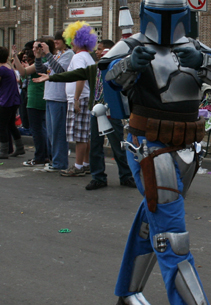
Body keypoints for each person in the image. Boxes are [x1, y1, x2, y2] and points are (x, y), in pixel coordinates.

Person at [99, 0, 211, 305]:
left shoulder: (194, 47)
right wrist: (128, 65)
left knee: (153, 221)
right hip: (150, 146)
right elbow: (108, 81)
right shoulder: (130, 47)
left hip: (186, 147)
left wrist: (203, 63)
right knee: (171, 231)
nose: (165, 23)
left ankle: (128, 293)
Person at [40, 39, 136, 189]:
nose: (97, 52)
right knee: (95, 146)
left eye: (101, 49)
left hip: (112, 112)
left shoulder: (118, 69)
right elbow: (74, 75)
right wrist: (51, 77)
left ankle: (126, 176)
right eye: (98, 49)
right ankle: (98, 177)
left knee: (117, 146)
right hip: (96, 112)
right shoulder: (93, 69)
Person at [60, 23, 96, 177]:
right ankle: (86, 164)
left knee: (79, 135)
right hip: (85, 98)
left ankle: (78, 166)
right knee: (85, 134)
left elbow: (80, 77)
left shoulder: (79, 57)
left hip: (80, 99)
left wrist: (75, 99)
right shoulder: (88, 57)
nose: (71, 43)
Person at [34, 33, 73, 172]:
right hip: (50, 96)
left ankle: (60, 163)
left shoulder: (68, 55)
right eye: (54, 40)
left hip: (60, 98)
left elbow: (60, 71)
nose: (55, 42)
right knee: (51, 132)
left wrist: (48, 54)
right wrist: (38, 57)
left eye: (58, 40)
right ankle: (56, 160)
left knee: (58, 133)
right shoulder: (57, 55)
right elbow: (41, 70)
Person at [12, 49, 48, 166]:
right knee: (41, 128)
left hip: (36, 97)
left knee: (36, 129)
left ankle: (40, 156)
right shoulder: (43, 61)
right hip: (37, 96)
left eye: (36, 47)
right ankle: (45, 155)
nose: (33, 50)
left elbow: (23, 73)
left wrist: (15, 57)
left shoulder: (41, 61)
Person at [0, 47, 25, 159]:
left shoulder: (1, 70)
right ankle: (19, 147)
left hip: (6, 100)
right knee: (11, 124)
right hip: (15, 99)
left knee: (1, 125)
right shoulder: (9, 67)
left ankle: (3, 150)